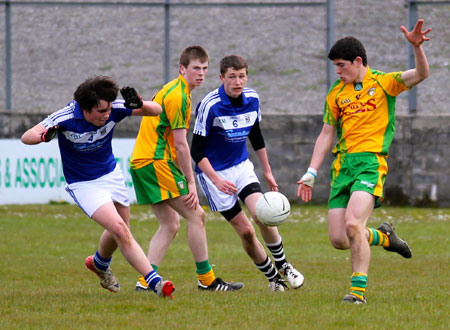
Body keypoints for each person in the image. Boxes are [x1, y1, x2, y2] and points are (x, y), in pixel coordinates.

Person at [297, 19, 431, 304]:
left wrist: (417, 48)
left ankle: (356, 294)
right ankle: (384, 237)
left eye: (342, 65)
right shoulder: (336, 93)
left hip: (371, 164)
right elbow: (326, 134)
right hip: (342, 168)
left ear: (358, 61)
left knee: (353, 224)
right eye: (335, 66)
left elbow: (421, 74)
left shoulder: (384, 83)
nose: (338, 71)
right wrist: (311, 172)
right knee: (339, 239)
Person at [21, 76, 175, 298]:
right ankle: (156, 283)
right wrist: (43, 135)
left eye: (108, 109)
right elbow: (27, 136)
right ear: (85, 109)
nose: (106, 114)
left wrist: (140, 104)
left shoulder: (112, 109)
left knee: (122, 230)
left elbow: (157, 110)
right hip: (84, 184)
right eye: (101, 111)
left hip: (111, 175)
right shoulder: (66, 117)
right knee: (121, 230)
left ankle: (100, 264)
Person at [130, 46, 243, 292]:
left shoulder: (174, 89)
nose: (201, 74)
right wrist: (191, 182)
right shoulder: (179, 95)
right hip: (155, 162)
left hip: (142, 162)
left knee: (170, 224)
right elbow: (182, 145)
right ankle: (207, 280)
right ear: (183, 69)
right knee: (196, 215)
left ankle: (146, 281)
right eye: (195, 68)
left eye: (204, 69)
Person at [191, 55, 304, 292]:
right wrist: (217, 180)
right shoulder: (209, 105)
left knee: (262, 214)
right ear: (222, 78)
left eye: (241, 76)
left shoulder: (252, 98)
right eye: (232, 77)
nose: (237, 81)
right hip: (214, 174)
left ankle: (284, 266)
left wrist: (268, 171)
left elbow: (256, 136)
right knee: (246, 232)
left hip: (241, 167)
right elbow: (196, 150)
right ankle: (274, 279)